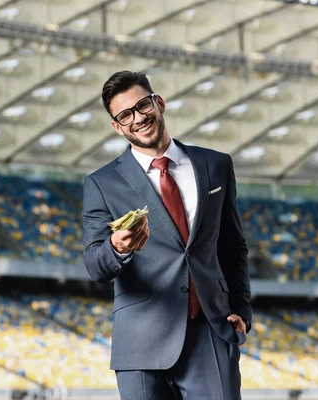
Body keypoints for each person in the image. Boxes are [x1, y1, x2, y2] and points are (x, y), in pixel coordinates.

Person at [82, 71, 252, 399]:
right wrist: (117, 248)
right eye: (125, 115)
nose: (138, 118)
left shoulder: (215, 165)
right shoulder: (102, 184)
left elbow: (233, 246)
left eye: (142, 105)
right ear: (117, 126)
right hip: (141, 342)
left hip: (212, 333)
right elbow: (94, 264)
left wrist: (241, 310)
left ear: (158, 103)